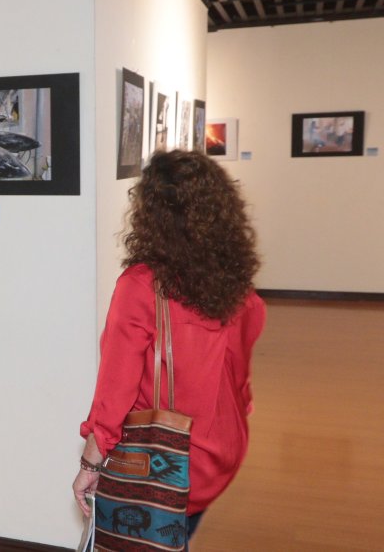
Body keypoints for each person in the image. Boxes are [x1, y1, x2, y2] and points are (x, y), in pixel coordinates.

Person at [72, 150, 265, 541]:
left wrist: (91, 463)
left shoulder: (141, 286)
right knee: (175, 537)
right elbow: (240, 371)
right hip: (219, 453)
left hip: (163, 460)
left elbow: (116, 386)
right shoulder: (235, 285)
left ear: (151, 215)